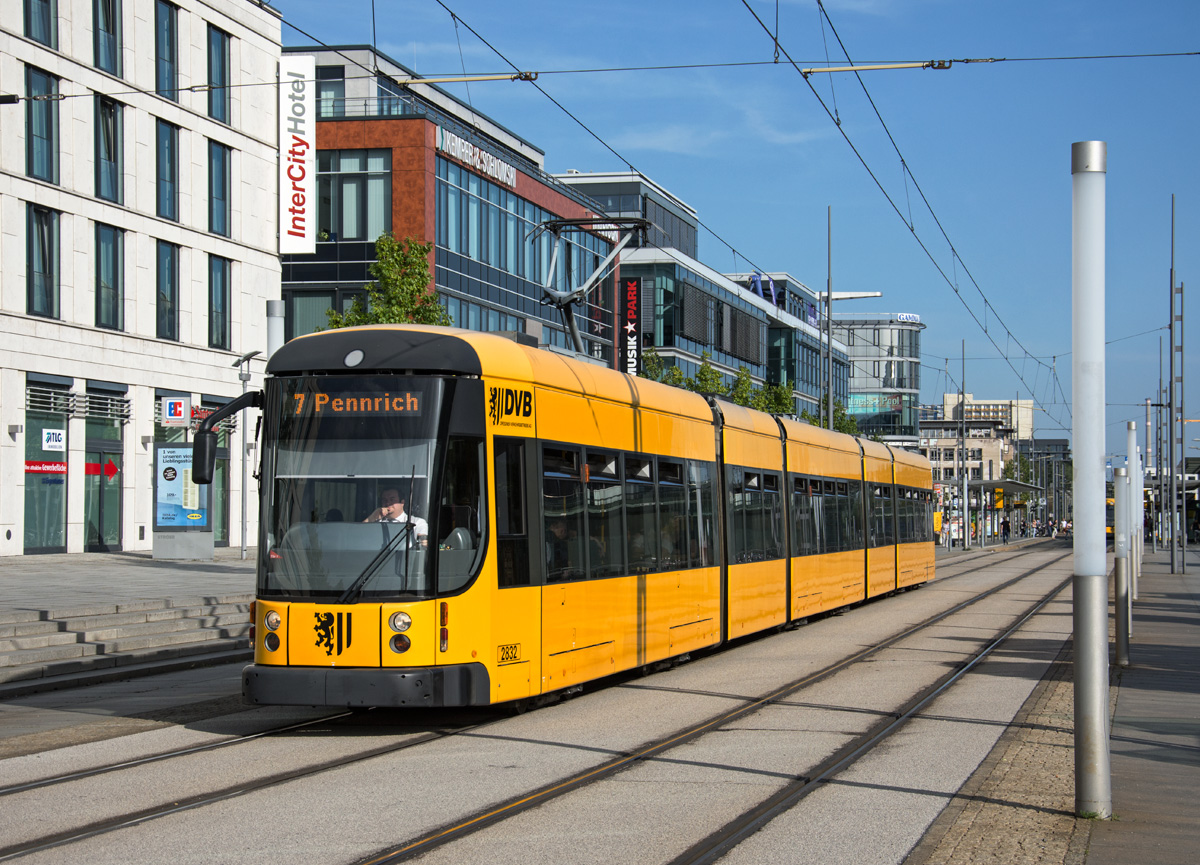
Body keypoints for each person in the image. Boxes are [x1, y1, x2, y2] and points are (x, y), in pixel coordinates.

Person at [363, 487, 427, 547]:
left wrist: (423, 541)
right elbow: (360, 537)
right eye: (384, 500)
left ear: (402, 503)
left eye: (392, 500)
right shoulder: (375, 523)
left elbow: (422, 544)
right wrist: (372, 517)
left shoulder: (416, 522)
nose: (388, 503)